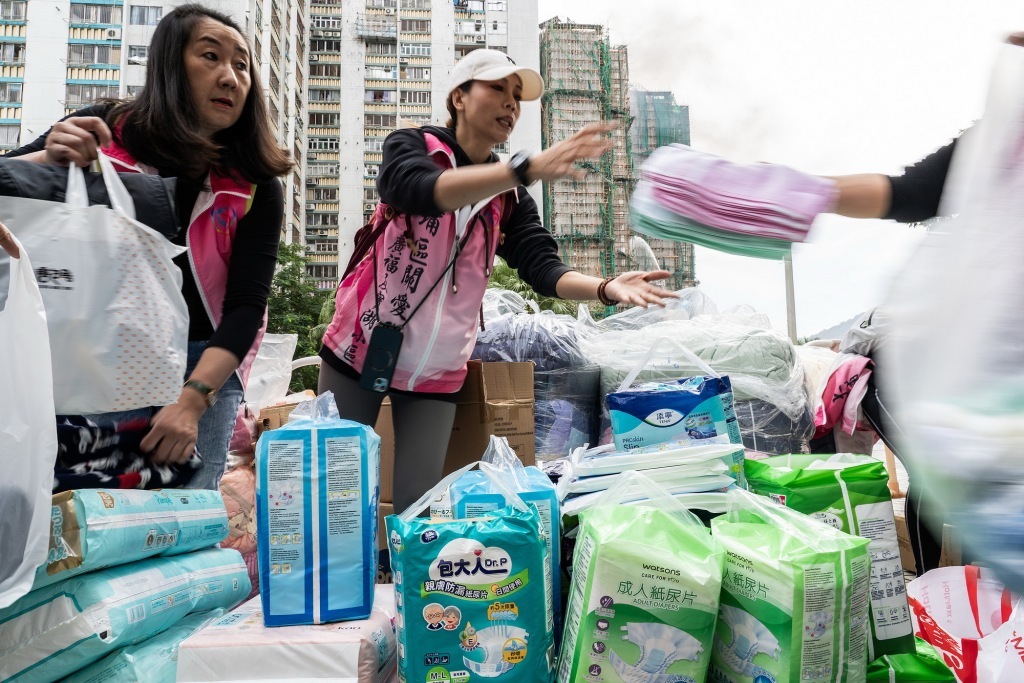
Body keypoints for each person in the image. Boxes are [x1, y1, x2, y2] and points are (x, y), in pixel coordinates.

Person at [318, 49, 675, 511]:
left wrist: (606, 288)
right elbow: (419, 191)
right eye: (497, 89)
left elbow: (543, 267)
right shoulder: (414, 146)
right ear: (459, 97)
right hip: (361, 347)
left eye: (516, 97)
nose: (510, 104)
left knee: (418, 504)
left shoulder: (510, 198)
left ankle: (406, 581)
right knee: (334, 495)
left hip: (437, 372)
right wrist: (518, 170)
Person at [6, 3, 292, 489]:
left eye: (242, 66)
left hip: (202, 366)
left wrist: (192, 401)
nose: (230, 77)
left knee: (185, 527)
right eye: (210, 57)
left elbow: (246, 308)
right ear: (169, 65)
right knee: (62, 515)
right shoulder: (103, 130)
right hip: (87, 349)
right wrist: (46, 157)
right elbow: (8, 201)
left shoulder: (255, 184)